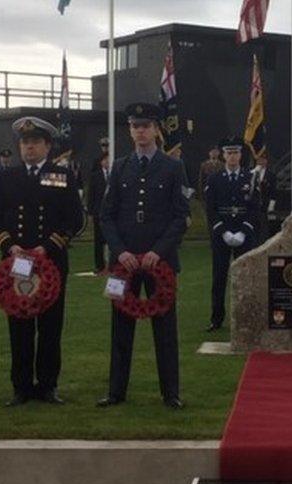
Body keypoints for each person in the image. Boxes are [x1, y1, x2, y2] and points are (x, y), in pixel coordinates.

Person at [0, 116, 84, 406]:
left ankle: (48, 385)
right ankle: (21, 386)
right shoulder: (5, 177)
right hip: (16, 264)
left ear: (47, 146)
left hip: (50, 262)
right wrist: (10, 245)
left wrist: (47, 247)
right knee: (19, 325)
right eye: (25, 142)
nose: (29, 147)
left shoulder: (61, 175)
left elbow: (75, 219)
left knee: (51, 327)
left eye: (35, 142)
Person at [97, 102, 189, 409]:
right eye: (135, 126)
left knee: (165, 329)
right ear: (130, 130)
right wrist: (120, 252)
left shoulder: (173, 167)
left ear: (156, 130)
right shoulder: (120, 167)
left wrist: (157, 252)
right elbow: (106, 216)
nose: (140, 131)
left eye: (146, 126)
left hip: (158, 260)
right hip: (125, 262)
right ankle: (116, 392)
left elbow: (180, 217)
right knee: (121, 329)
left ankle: (171, 393)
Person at [204, 137, 259, 332]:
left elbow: (254, 208)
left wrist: (244, 231)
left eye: (236, 153)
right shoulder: (214, 178)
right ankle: (216, 319)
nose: (232, 156)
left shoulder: (250, 178)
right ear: (223, 155)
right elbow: (211, 209)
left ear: (240, 155)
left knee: (245, 277)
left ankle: (246, 317)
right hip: (222, 234)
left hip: (243, 233)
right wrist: (223, 231)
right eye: (229, 153)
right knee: (219, 278)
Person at [87, 154, 110, 275]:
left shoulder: (115, 174)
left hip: (112, 214)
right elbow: (91, 195)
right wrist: (90, 212)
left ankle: (112, 264)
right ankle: (99, 266)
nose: (108, 162)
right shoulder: (95, 176)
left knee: (112, 239)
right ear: (102, 162)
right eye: (106, 159)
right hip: (98, 212)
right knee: (98, 241)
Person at [251, 153, 277, 241]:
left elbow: (273, 190)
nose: (261, 162)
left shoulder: (271, 175)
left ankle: (263, 240)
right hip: (254, 203)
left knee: (264, 224)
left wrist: (272, 204)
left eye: (263, 160)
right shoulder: (252, 173)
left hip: (264, 202)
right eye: (259, 160)